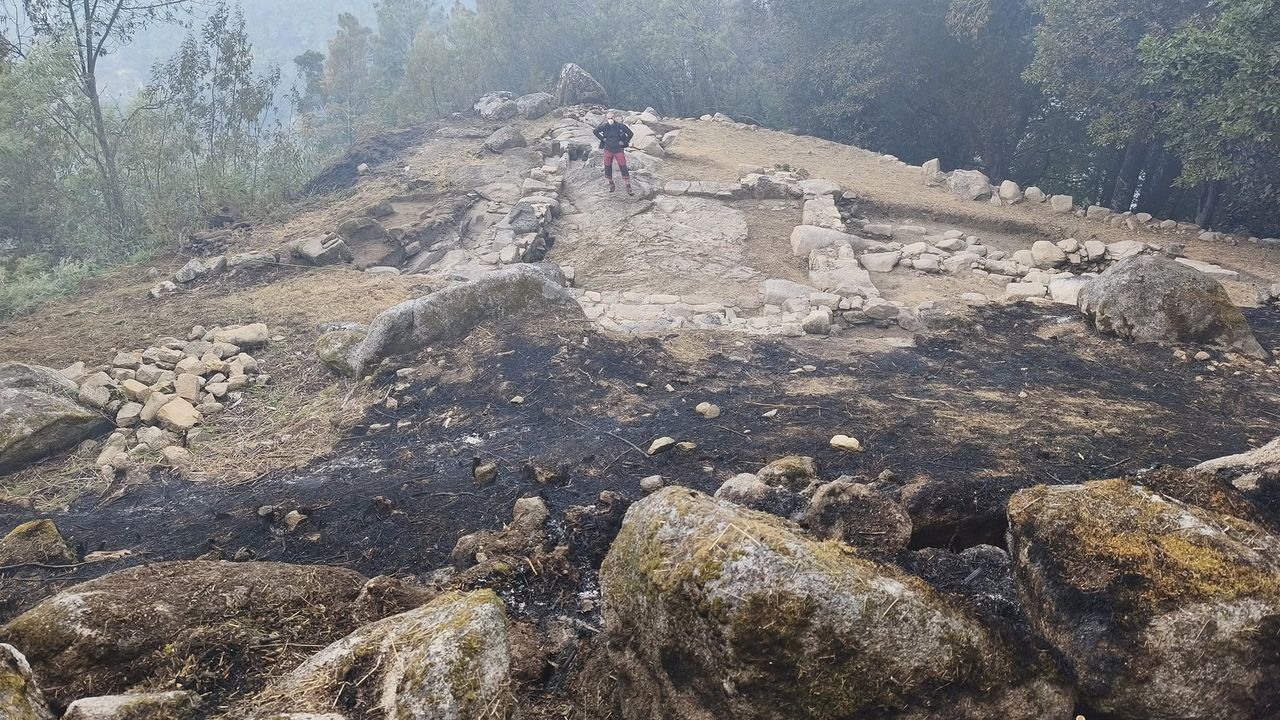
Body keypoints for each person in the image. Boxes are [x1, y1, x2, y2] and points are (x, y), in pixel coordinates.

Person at [593, 111, 634, 195]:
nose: (610, 120)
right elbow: (595, 131)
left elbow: (630, 134)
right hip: (608, 149)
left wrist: (624, 142)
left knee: (623, 166)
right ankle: (611, 183)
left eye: (611, 118)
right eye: (608, 118)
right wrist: (602, 139)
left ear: (614, 118)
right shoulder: (605, 126)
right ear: (606, 119)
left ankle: (628, 185)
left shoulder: (620, 126)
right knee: (607, 166)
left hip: (619, 149)